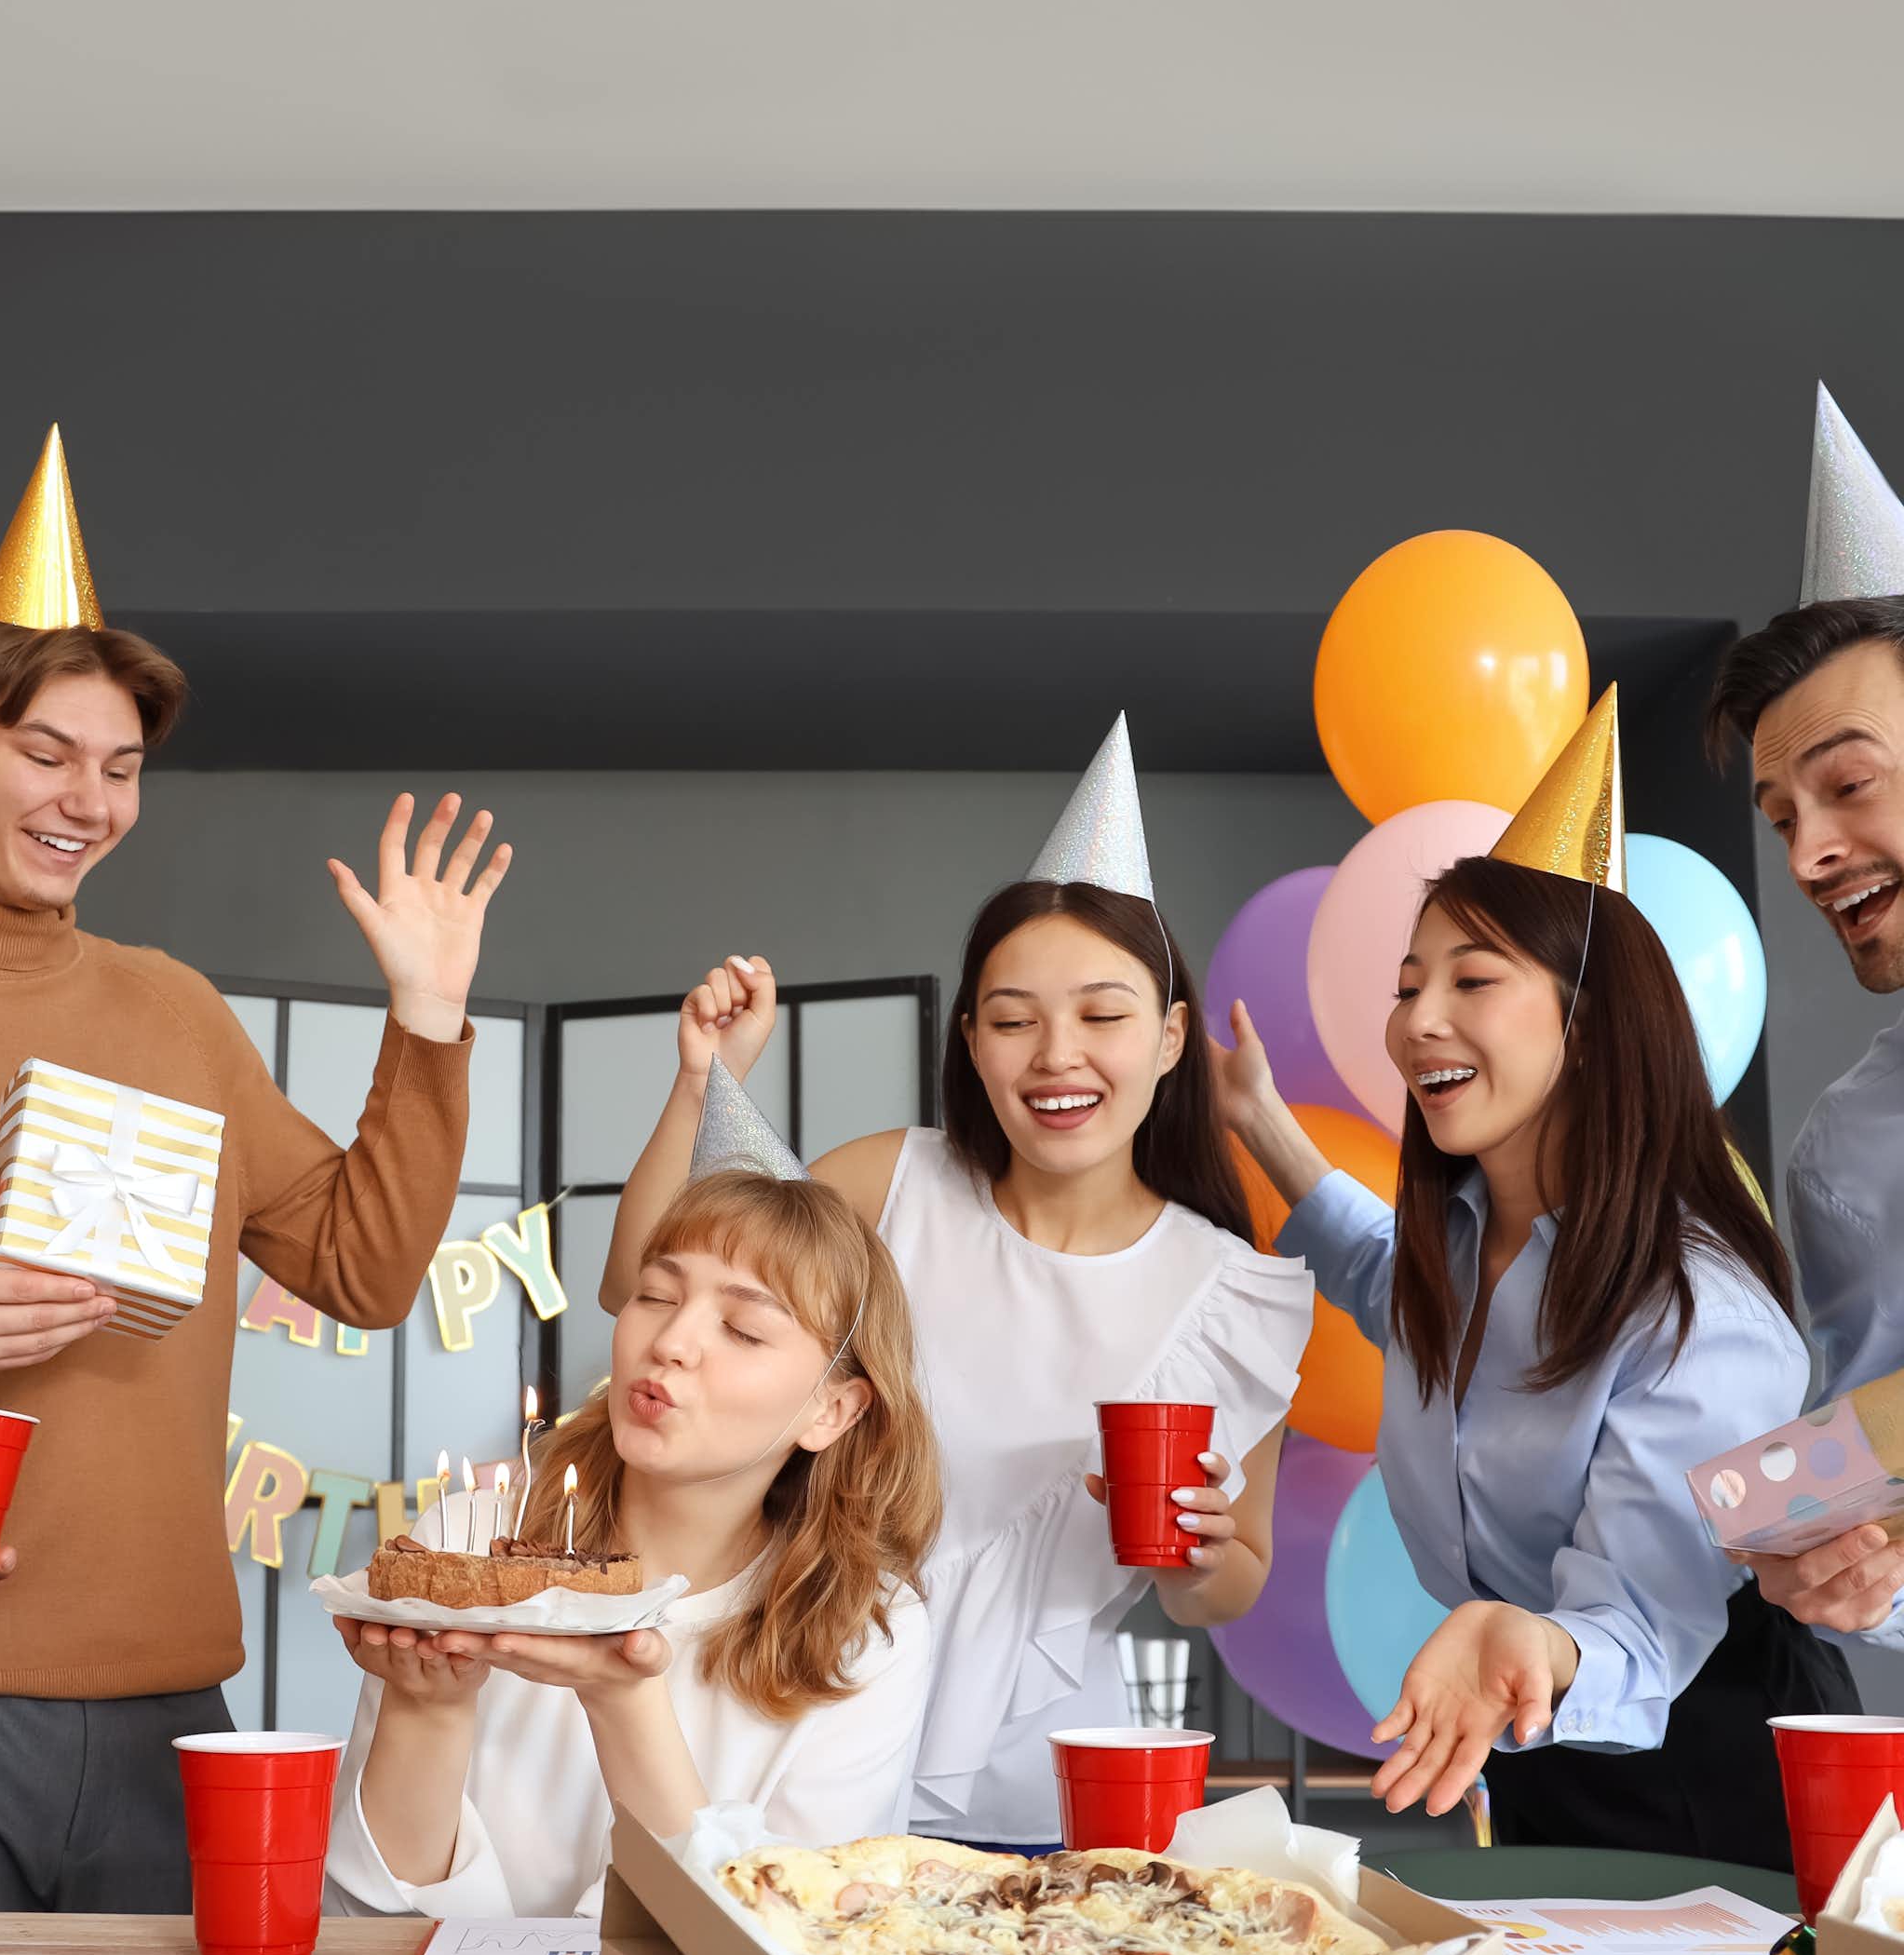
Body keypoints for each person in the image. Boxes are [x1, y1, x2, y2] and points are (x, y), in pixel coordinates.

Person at [0, 425, 508, 1917]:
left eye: (123, 768)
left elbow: (365, 1270)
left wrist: (430, 1021)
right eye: (48, 752)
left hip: (167, 1704)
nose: (91, 800)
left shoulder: (170, 1010)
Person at [601, 721, 1314, 1852]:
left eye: (1103, 1015)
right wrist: (700, 1087)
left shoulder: (1229, 1292)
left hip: (1042, 1786)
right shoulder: (890, 1184)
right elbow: (638, 1286)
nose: (1055, 1055)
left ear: (1172, 1038)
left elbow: (1227, 1587)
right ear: (972, 1040)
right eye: (1015, 1020)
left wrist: (1206, 1556)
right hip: (785, 1723)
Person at [1219, 694, 1851, 1861]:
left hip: (1713, 1781)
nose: (1416, 1022)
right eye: (1409, 984)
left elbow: (1641, 1620)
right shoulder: (1456, 1243)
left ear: (1588, 1016)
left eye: (1472, 980)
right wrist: (1259, 1120)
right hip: (1535, 1746)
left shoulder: (1693, 1305)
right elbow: (1374, 1271)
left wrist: (1534, 1645)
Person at [330, 1167, 941, 1916]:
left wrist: (623, 1702)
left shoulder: (866, 1629)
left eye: (743, 1328)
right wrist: (429, 1709)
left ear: (834, 1409)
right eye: (656, 1295)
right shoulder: (469, 1542)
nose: (672, 1340)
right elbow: (367, 1920)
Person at [1697, 392, 1904, 1641]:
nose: (1813, 851)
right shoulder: (1847, 1157)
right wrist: (1832, 1564)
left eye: (1849, 785)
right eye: (1783, 817)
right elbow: (1849, 1515)